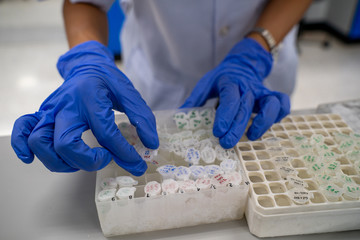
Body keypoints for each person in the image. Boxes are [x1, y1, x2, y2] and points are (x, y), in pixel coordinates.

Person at [11, 0, 313, 175]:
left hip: (256, 84)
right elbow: (85, 1)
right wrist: (85, 59)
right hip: (160, 83)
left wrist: (258, 47)